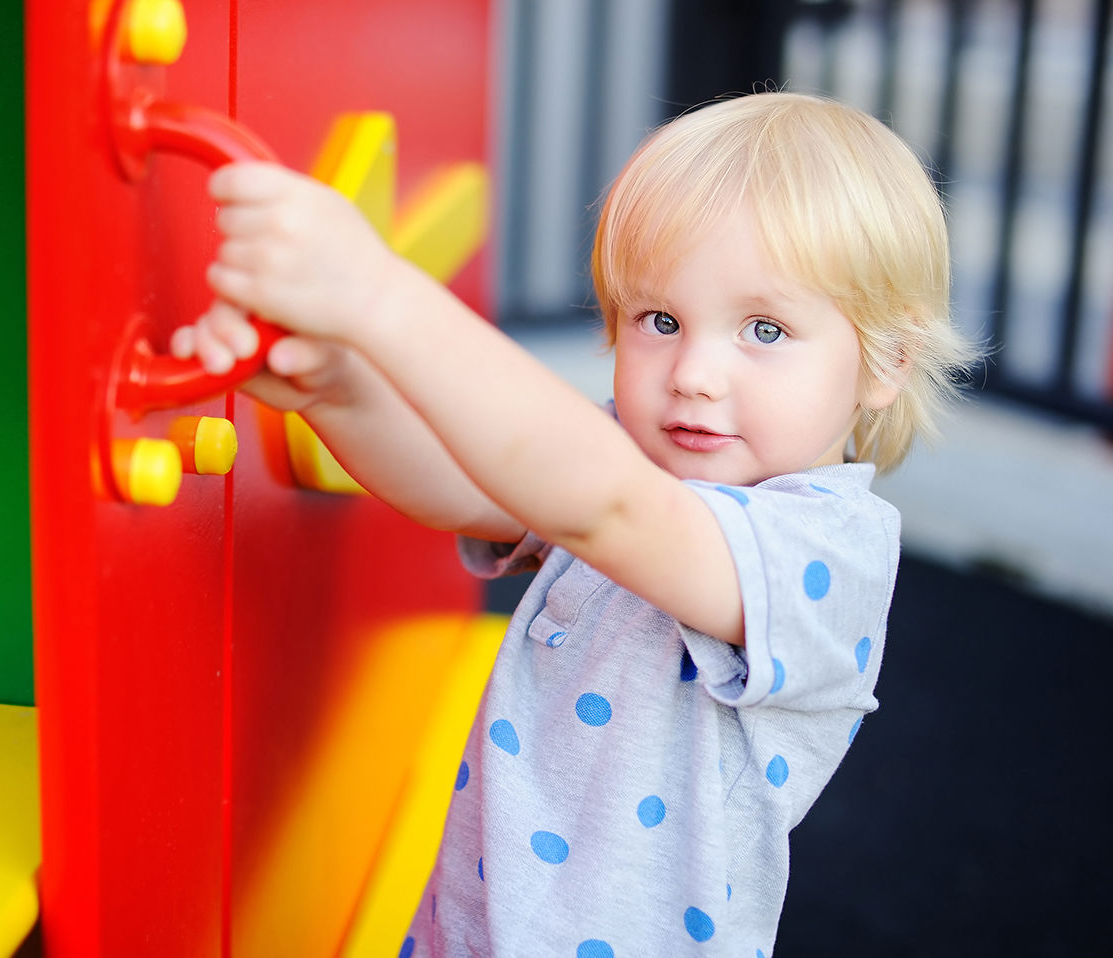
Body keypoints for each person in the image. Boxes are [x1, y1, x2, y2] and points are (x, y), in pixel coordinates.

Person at [172, 91, 979, 956]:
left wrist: (380, 297)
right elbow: (459, 483)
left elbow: (607, 508)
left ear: (886, 362)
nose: (695, 373)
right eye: (660, 321)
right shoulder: (631, 462)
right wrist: (339, 390)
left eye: (765, 329)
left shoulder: (823, 551)